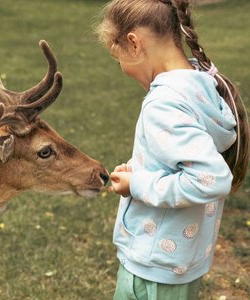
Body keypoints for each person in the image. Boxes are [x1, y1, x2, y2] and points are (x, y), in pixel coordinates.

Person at [95, 0, 249, 299]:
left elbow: (210, 179)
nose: (122, 69)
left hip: (154, 268)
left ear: (134, 43)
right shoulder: (201, 84)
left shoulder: (163, 103)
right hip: (181, 261)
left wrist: (137, 183)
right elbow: (179, 156)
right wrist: (138, 170)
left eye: (118, 59)